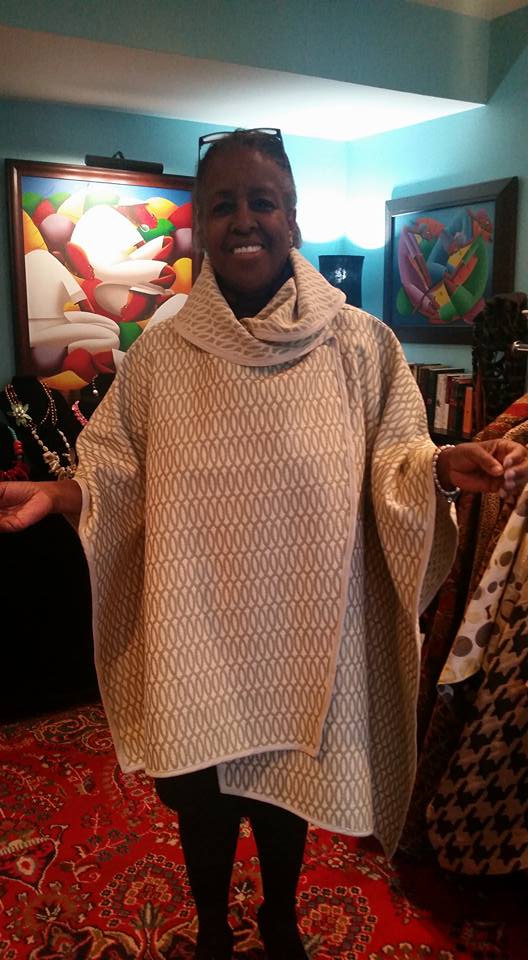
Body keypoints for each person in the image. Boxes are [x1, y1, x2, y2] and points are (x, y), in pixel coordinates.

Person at [1, 129, 527, 960]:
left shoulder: (362, 345)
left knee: (286, 804)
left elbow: (396, 458)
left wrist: (441, 467)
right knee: (204, 809)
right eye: (223, 204)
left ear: (292, 217)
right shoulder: (161, 354)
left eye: (263, 201)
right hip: (194, 633)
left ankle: (280, 923)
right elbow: (117, 468)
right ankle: (214, 931)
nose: (244, 219)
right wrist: (61, 492)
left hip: (301, 637)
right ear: (203, 227)